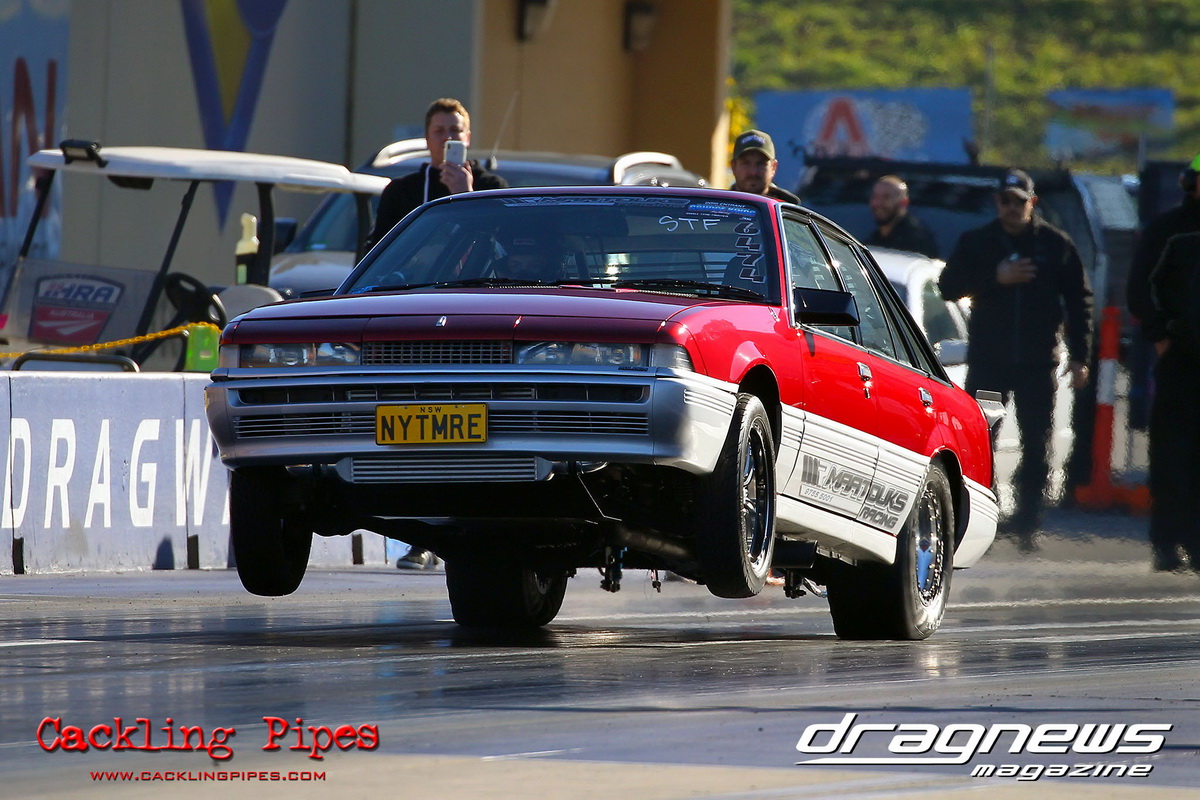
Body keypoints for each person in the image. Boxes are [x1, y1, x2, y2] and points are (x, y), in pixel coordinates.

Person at [939, 169, 1094, 551]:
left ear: (1032, 203)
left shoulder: (1055, 244)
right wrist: (996, 277)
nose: (1012, 208)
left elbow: (1079, 301)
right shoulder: (977, 241)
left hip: (1037, 362)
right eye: (1005, 201)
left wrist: (1080, 356)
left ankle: (1027, 521)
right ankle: (982, 518)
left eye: (1019, 202)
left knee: (1036, 441)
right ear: (997, 203)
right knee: (982, 439)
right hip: (989, 360)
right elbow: (948, 286)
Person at [1126, 155, 1200, 571]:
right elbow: (1140, 288)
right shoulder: (1169, 229)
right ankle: (1167, 541)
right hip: (1180, 360)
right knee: (1172, 453)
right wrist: (1161, 336)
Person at [366, 97, 508, 251]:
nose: (447, 137)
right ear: (427, 139)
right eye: (439, 131)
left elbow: (500, 244)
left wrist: (465, 196)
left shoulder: (493, 188)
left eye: (455, 130)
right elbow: (377, 250)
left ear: (467, 138)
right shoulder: (401, 191)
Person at [863, 175, 940, 258]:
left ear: (904, 202)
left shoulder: (916, 240)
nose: (878, 203)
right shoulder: (874, 238)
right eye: (875, 197)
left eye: (886, 197)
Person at [729, 129, 801, 204]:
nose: (753, 172)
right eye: (746, 163)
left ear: (773, 167)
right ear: (733, 167)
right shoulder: (721, 207)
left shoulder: (788, 208)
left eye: (761, 164)